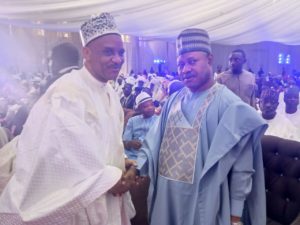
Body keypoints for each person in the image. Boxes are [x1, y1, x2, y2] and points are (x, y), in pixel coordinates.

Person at [0, 12, 136, 225]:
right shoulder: (67, 92)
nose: (117, 59)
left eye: (121, 52)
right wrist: (111, 178)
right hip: (79, 203)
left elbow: (107, 144)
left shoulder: (109, 93)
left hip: (109, 196)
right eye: (108, 52)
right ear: (87, 53)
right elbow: (61, 155)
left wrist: (124, 163)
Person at [137, 28, 267, 225]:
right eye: (181, 64)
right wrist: (134, 167)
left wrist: (234, 215)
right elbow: (151, 146)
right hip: (167, 201)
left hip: (204, 206)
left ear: (209, 59)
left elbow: (242, 167)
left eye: (192, 61)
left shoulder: (229, 105)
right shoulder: (172, 101)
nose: (185, 69)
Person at [123, 92, 158, 225]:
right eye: (145, 106)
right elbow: (124, 140)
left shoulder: (159, 120)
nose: (149, 108)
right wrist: (132, 143)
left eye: (151, 105)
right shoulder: (133, 121)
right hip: (132, 156)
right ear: (139, 109)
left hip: (150, 157)